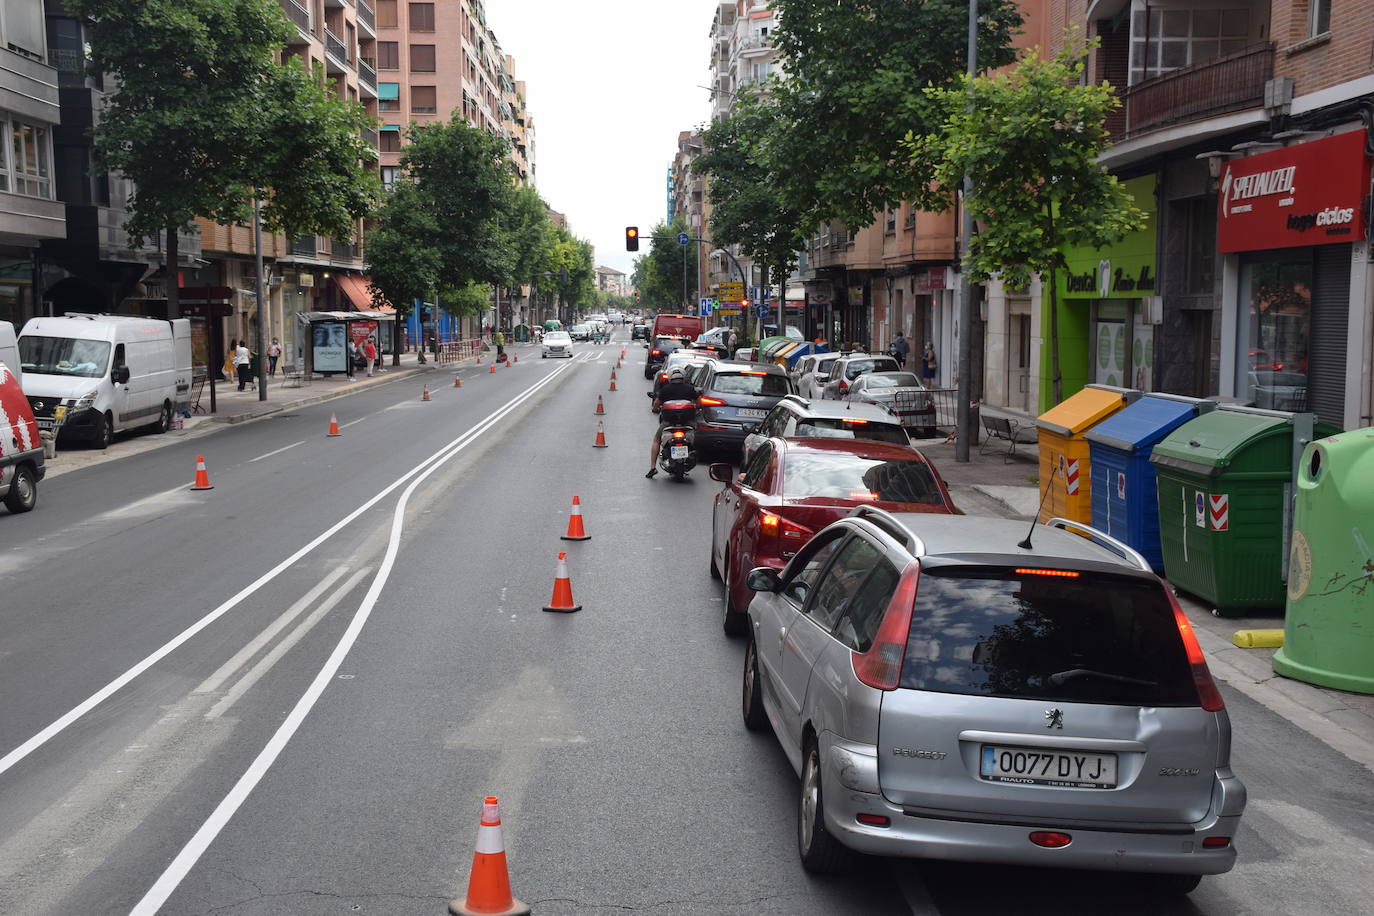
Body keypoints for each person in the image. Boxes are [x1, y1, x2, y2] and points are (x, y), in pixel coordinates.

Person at [646, 367, 699, 479]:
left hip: (668, 423)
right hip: (687, 423)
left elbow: (656, 404)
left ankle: (652, 467)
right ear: (683, 377)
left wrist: (655, 409)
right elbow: (698, 403)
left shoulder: (665, 389)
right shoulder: (689, 389)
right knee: (697, 439)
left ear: (670, 377)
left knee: (656, 440)